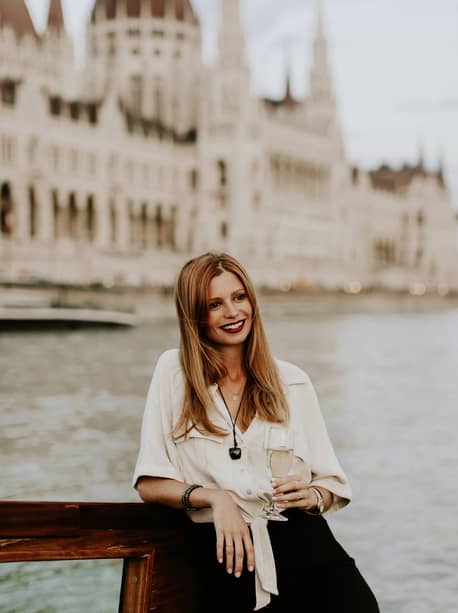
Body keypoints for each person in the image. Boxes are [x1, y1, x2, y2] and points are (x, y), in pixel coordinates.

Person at [133, 252, 379, 612]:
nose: (232, 313)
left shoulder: (292, 382)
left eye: (239, 297)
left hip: (310, 552)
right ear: (195, 316)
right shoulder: (173, 373)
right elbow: (148, 483)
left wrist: (311, 494)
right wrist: (216, 498)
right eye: (214, 304)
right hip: (231, 561)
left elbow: (332, 485)